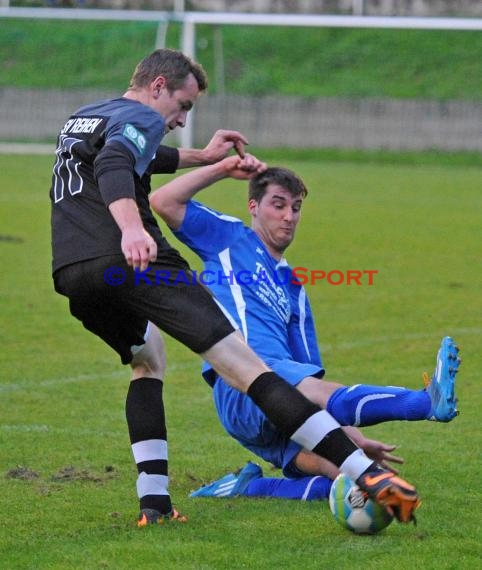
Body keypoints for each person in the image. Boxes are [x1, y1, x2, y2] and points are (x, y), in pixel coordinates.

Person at [50, 48, 421, 528]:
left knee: (148, 359)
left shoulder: (87, 116)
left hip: (73, 272)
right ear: (158, 86)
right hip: (133, 257)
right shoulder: (140, 116)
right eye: (182, 106)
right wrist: (130, 228)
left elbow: (136, 152)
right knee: (247, 368)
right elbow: (118, 162)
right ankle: (368, 474)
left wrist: (203, 158)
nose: (181, 120)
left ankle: (155, 504)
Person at [149, 155, 460, 504]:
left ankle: (250, 488)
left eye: (296, 208)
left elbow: (312, 390)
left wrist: (350, 437)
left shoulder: (295, 290)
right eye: (278, 205)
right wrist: (223, 168)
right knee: (321, 415)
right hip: (240, 383)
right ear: (253, 206)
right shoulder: (229, 238)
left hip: (276, 401)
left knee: (350, 481)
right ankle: (424, 403)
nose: (288, 217)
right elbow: (163, 200)